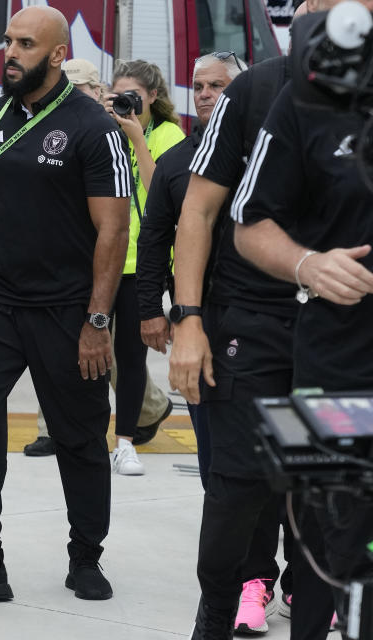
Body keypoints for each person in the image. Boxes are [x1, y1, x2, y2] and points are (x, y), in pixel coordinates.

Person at [0, 5, 131, 602]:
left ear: (58, 54)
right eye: (7, 41)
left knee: (78, 436)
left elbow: (112, 233)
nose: (9, 52)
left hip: (68, 307)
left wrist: (97, 321)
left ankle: (85, 557)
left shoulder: (95, 128)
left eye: (24, 43)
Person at [168, 6, 350, 637]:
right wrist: (187, 320)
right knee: (238, 492)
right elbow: (198, 211)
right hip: (252, 322)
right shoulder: (255, 89)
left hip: (343, 334)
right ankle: (217, 613)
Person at [230, 19, 373, 640]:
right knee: (330, 545)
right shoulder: (309, 93)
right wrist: (307, 263)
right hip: (340, 368)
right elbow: (248, 220)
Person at [22, 56, 173, 459]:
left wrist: (132, 134)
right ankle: (52, 427)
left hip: (130, 261)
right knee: (61, 343)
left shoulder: (154, 133)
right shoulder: (49, 128)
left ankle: (140, 417)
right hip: (72, 258)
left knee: (119, 352)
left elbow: (163, 194)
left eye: (81, 90)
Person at [135, 51, 246, 489]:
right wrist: (150, 310)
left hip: (257, 316)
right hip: (197, 316)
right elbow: (153, 242)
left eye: (215, 86)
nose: (204, 95)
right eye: (198, 86)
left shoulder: (262, 153)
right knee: (211, 447)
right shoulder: (177, 163)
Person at [103, 59, 184, 476]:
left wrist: (137, 139)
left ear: (153, 96)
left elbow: (161, 198)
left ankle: (125, 443)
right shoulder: (102, 130)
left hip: (140, 264)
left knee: (130, 358)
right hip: (100, 260)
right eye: (118, 97)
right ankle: (90, 436)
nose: (126, 104)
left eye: (133, 96)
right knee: (90, 354)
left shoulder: (170, 135)